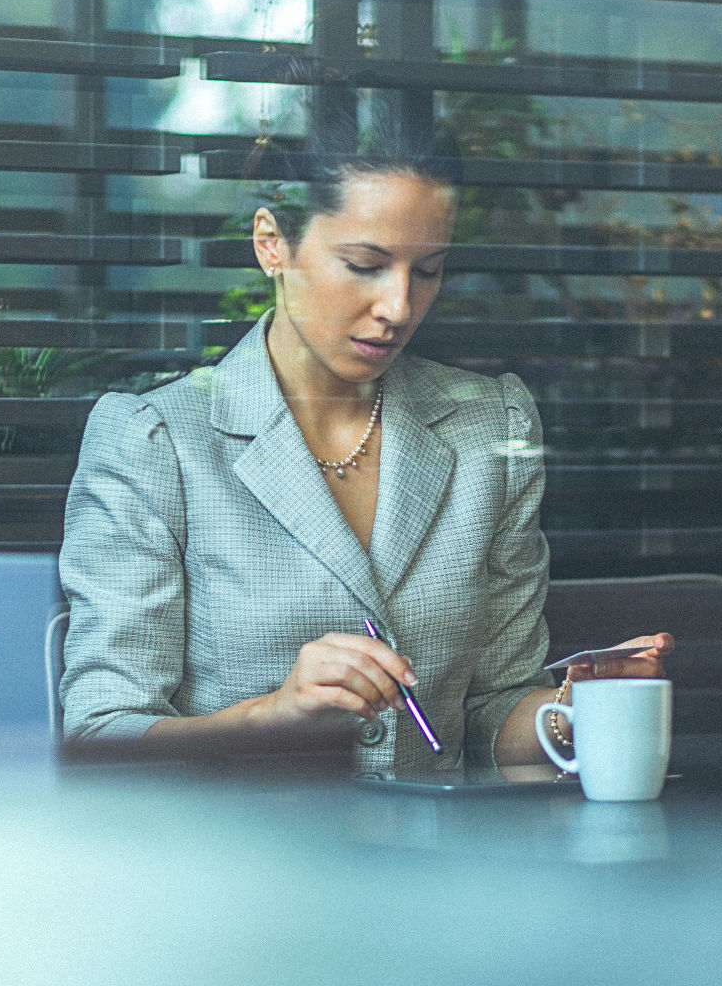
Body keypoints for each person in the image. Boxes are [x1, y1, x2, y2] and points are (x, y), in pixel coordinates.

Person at [58, 123, 668, 770]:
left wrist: (572, 714)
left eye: (428, 271)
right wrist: (275, 717)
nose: (400, 306)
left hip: (434, 858)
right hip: (237, 861)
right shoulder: (158, 442)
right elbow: (105, 736)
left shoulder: (489, 427)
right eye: (365, 266)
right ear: (273, 245)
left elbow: (493, 705)